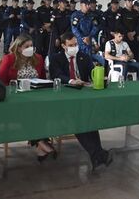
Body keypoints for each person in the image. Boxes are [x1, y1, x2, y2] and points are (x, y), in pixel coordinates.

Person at [48, 32, 113, 170]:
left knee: (89, 119)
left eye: (76, 44)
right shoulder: (55, 58)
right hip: (64, 98)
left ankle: (97, 156)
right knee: (78, 119)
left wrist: (100, 78)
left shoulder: (84, 56)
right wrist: (71, 80)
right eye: (71, 45)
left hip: (82, 97)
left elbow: (91, 72)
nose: (74, 47)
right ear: (64, 46)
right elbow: (56, 75)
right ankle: (99, 155)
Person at [0, 34, 55, 161]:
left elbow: (43, 79)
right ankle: (40, 142)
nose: (30, 48)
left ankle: (40, 144)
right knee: (29, 112)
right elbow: (1, 81)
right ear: (18, 48)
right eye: (26, 46)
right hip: (16, 98)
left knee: (42, 110)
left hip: (36, 97)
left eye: (31, 46)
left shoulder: (38, 58)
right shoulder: (9, 59)